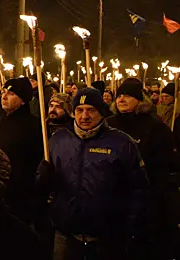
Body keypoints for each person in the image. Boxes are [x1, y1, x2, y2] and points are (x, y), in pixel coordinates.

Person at [38, 88, 149, 259]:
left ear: (101, 112)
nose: (84, 116)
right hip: (66, 234)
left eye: (91, 110)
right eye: (79, 110)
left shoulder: (121, 143)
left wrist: (133, 228)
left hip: (107, 236)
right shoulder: (58, 140)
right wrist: (43, 179)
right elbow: (42, 186)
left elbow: (138, 188)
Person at [107, 78, 179, 259]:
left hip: (147, 200)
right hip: (112, 198)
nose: (121, 99)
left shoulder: (155, 127)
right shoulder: (108, 125)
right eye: (119, 95)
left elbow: (165, 164)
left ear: (140, 100)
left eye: (128, 95)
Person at [0, 77, 42, 224]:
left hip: (16, 192)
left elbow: (34, 159)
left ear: (23, 100)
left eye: (11, 93)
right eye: (3, 92)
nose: (4, 96)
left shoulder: (33, 125)